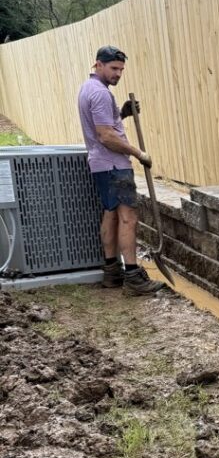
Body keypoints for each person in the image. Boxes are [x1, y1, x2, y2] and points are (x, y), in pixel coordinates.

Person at [77, 45, 163, 295]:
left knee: (111, 214)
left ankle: (111, 272)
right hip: (114, 164)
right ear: (98, 64)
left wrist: (121, 114)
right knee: (128, 218)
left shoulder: (88, 89)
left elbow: (104, 126)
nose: (118, 74)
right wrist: (138, 154)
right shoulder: (101, 94)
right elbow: (106, 136)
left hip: (100, 164)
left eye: (121, 70)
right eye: (114, 68)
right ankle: (134, 277)